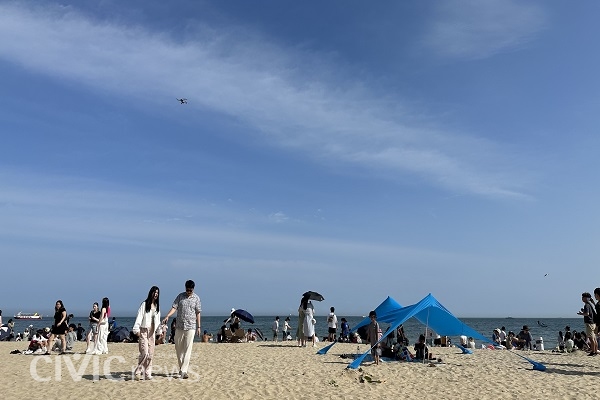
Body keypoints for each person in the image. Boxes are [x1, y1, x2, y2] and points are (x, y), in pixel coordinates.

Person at [162, 280, 202, 380]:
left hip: (191, 327)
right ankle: (181, 368)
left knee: (188, 349)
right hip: (179, 326)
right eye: (187, 289)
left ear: (193, 289)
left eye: (190, 290)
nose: (188, 291)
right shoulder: (180, 296)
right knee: (178, 348)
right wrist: (168, 316)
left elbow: (198, 313)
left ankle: (184, 371)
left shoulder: (196, 298)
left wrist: (199, 327)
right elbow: (174, 307)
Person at [132, 286, 161, 380]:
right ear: (151, 293)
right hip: (144, 330)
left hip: (152, 332)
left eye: (157, 293)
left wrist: (159, 331)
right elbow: (139, 317)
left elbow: (158, 320)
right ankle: (138, 371)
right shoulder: (144, 304)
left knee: (150, 354)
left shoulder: (157, 306)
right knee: (144, 352)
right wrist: (136, 329)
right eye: (154, 292)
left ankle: (147, 373)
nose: (156, 294)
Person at [577, 292, 597, 356]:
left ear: (585, 298)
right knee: (594, 338)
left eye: (583, 297)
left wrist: (581, 314)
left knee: (591, 338)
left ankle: (593, 351)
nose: (582, 298)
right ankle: (595, 350)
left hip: (589, 323)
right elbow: (590, 314)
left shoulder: (586, 305)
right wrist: (583, 312)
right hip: (593, 323)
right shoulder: (590, 304)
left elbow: (587, 314)